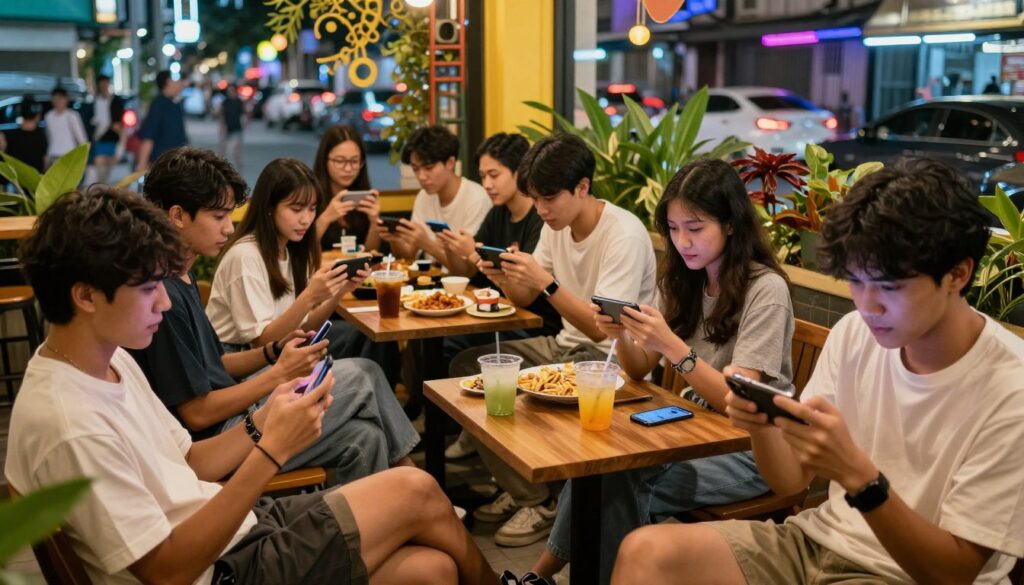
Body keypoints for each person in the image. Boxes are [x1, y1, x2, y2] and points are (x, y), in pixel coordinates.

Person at [4, 185, 501, 585]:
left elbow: (192, 460)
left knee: (431, 569)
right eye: (149, 289)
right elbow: (167, 570)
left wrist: (267, 418)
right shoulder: (71, 422)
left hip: (230, 529)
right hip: (217, 569)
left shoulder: (106, 359)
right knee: (415, 488)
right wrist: (271, 452)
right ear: (86, 296)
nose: (165, 305)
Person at [611, 158, 1024, 585]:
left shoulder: (1011, 386)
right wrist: (763, 427)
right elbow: (791, 482)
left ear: (958, 273)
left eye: (889, 286)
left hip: (900, 575)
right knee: (647, 552)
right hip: (817, 542)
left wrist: (859, 478)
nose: (868, 305)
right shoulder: (854, 333)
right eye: (856, 282)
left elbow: (953, 573)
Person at [528, 158, 794, 584]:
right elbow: (637, 369)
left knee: (616, 483)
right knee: (598, 464)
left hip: (752, 450)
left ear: (730, 224)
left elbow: (737, 399)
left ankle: (547, 574)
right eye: (673, 229)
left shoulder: (766, 289)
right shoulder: (682, 280)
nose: (683, 241)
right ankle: (548, 575)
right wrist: (622, 335)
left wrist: (672, 346)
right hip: (691, 430)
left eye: (695, 227)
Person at [134, 147, 417, 486]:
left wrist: (274, 352)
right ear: (178, 215)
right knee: (362, 375)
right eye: (218, 216)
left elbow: (215, 365)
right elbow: (197, 414)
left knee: (364, 436)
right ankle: (418, 485)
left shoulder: (182, 274)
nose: (228, 227)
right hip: (219, 441)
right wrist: (278, 373)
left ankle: (378, 526)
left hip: (236, 412)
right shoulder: (160, 296)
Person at [450, 133, 657, 549]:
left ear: (582, 187)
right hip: (564, 346)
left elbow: (603, 328)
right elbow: (526, 297)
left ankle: (540, 502)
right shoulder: (554, 224)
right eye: (536, 199)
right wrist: (501, 275)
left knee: (516, 394)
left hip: (609, 363)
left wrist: (546, 283)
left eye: (549, 198)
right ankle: (532, 494)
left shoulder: (623, 235)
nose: (541, 209)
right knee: (470, 372)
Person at [434, 132, 561, 461]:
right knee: (448, 350)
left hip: (538, 324)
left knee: (462, 356)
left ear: (520, 172)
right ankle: (471, 434)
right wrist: (468, 253)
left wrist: (476, 256)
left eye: (494, 175)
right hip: (504, 313)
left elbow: (526, 296)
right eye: (482, 177)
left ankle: (480, 439)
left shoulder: (541, 220)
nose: (487, 184)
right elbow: (475, 270)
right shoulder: (499, 213)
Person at [379, 125, 491, 262]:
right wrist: (394, 239)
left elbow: (469, 268)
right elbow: (408, 256)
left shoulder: (476, 199)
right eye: (415, 169)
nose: (421, 176)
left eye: (428, 168)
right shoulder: (424, 196)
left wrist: (427, 244)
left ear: (450, 162)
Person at [313, 124, 384, 254]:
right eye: (340, 161)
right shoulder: (311, 197)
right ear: (324, 160)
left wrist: (375, 223)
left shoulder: (363, 197)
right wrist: (325, 218)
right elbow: (299, 252)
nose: (348, 169)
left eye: (354, 161)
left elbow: (371, 255)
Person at [135, 70, 188, 173]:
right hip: (162, 165)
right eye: (176, 80)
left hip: (176, 163)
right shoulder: (159, 105)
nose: (180, 83)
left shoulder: (174, 104)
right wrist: (142, 163)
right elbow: (149, 136)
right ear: (168, 81)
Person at [88, 74, 125, 183]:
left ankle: (106, 187)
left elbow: (120, 119)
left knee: (111, 166)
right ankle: (102, 187)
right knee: (100, 164)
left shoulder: (116, 100)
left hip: (113, 137)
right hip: (100, 137)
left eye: (106, 83)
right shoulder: (95, 102)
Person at [0, 95, 47, 174]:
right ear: (37, 115)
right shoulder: (40, 136)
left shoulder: (11, 136)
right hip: (35, 180)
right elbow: (44, 159)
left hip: (16, 181)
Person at [44, 86, 87, 167]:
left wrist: (83, 155)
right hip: (53, 154)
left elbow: (80, 136)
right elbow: (48, 136)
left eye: (60, 99)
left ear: (66, 100)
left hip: (69, 154)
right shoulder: (49, 116)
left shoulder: (72, 115)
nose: (58, 102)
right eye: (55, 99)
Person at [218, 83, 245, 171]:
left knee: (237, 150)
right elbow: (222, 115)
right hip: (227, 128)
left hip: (237, 128)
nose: (230, 92)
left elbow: (243, 115)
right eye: (228, 91)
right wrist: (221, 128)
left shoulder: (239, 102)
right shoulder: (225, 102)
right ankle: (222, 167)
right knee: (224, 149)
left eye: (231, 90)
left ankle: (238, 166)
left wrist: (244, 124)